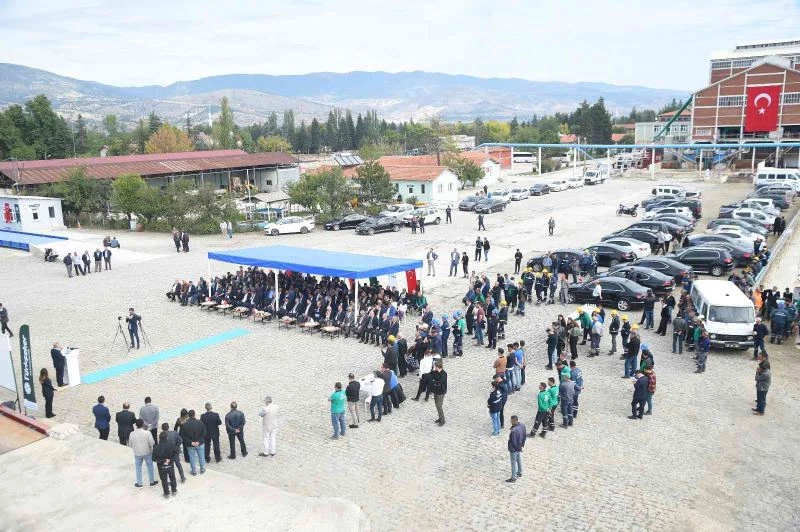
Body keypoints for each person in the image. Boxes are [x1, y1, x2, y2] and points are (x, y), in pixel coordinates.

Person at [130, 419, 158, 488]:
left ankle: (139, 484)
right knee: (150, 467)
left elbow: (130, 444)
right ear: (143, 425)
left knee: (138, 468)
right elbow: (152, 443)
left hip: (137, 453)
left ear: (136, 425)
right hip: (147, 452)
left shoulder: (132, 433)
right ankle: (152, 482)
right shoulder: (147, 433)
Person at [179, 410, 207, 475]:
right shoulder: (200, 423)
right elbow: (204, 433)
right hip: (200, 444)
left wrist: (191, 442)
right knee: (201, 456)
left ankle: (194, 471)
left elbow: (182, 436)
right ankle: (202, 469)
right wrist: (199, 441)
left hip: (190, 445)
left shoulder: (185, 425)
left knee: (192, 457)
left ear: (188, 415)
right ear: (194, 415)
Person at [152, 431, 178, 498]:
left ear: (159, 438)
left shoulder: (156, 447)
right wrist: (170, 460)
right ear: (167, 437)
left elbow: (154, 459)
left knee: (164, 480)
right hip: (170, 464)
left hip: (161, 466)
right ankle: (174, 490)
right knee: (172, 477)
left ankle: (166, 493)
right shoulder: (171, 445)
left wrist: (163, 460)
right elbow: (176, 453)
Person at [506, 415, 526, 483]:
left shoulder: (514, 431)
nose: (510, 422)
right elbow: (524, 435)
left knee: (513, 463)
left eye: (511, 421)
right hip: (519, 446)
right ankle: (520, 473)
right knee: (519, 459)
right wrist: (521, 446)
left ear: (514, 421)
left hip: (514, 449)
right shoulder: (522, 425)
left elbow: (514, 442)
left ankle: (513, 478)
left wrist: (517, 448)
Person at [430, 361, 447, 426]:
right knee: (437, 405)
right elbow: (431, 375)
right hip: (436, 391)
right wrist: (433, 371)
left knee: (439, 406)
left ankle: (442, 420)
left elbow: (439, 381)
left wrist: (434, 381)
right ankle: (440, 418)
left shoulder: (444, 374)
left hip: (441, 392)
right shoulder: (435, 372)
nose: (434, 367)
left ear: (437, 367)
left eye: (435, 366)